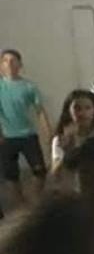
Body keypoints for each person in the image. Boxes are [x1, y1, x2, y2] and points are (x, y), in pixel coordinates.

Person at [0, 49, 51, 205]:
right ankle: (20, 205)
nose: (9, 64)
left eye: (13, 60)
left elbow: (40, 111)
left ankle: (34, 200)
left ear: (20, 64)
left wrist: (48, 132)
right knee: (11, 176)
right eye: (5, 61)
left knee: (40, 172)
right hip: (7, 137)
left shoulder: (29, 87)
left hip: (28, 135)